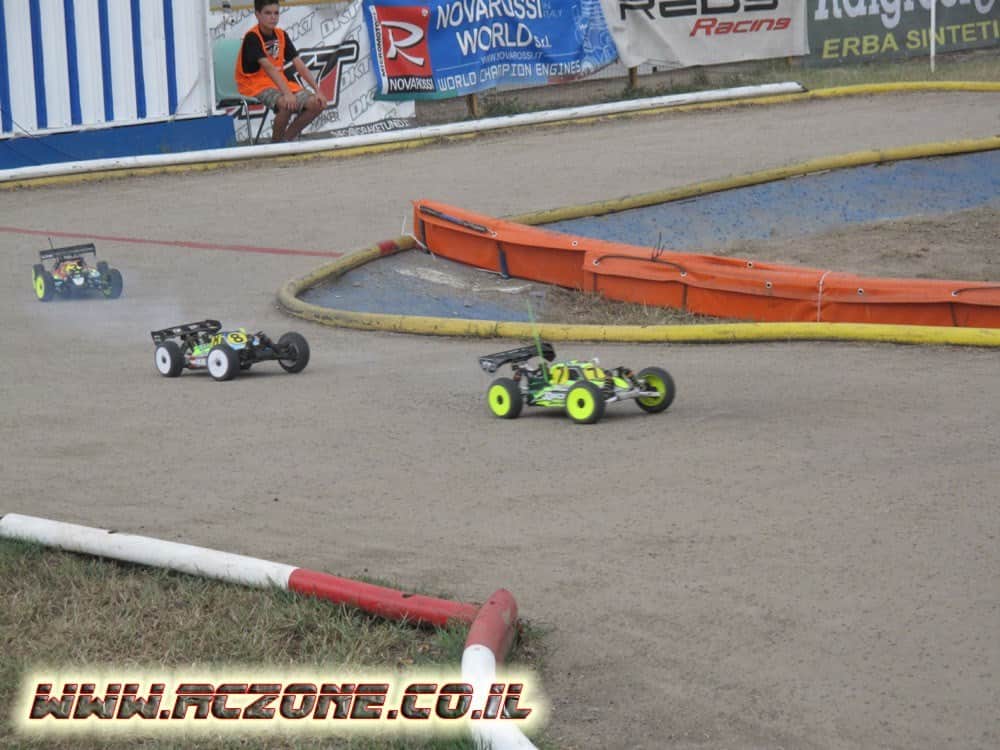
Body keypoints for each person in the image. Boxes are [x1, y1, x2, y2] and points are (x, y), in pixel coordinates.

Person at [235, 0, 328, 143]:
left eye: (276, 13)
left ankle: (286, 141)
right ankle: (276, 145)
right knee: (286, 104)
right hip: (254, 85)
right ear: (257, 15)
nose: (273, 17)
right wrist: (287, 93)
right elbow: (269, 67)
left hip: (279, 83)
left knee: (317, 103)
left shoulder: (281, 35)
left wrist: (318, 90)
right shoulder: (252, 37)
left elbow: (300, 65)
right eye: (268, 13)